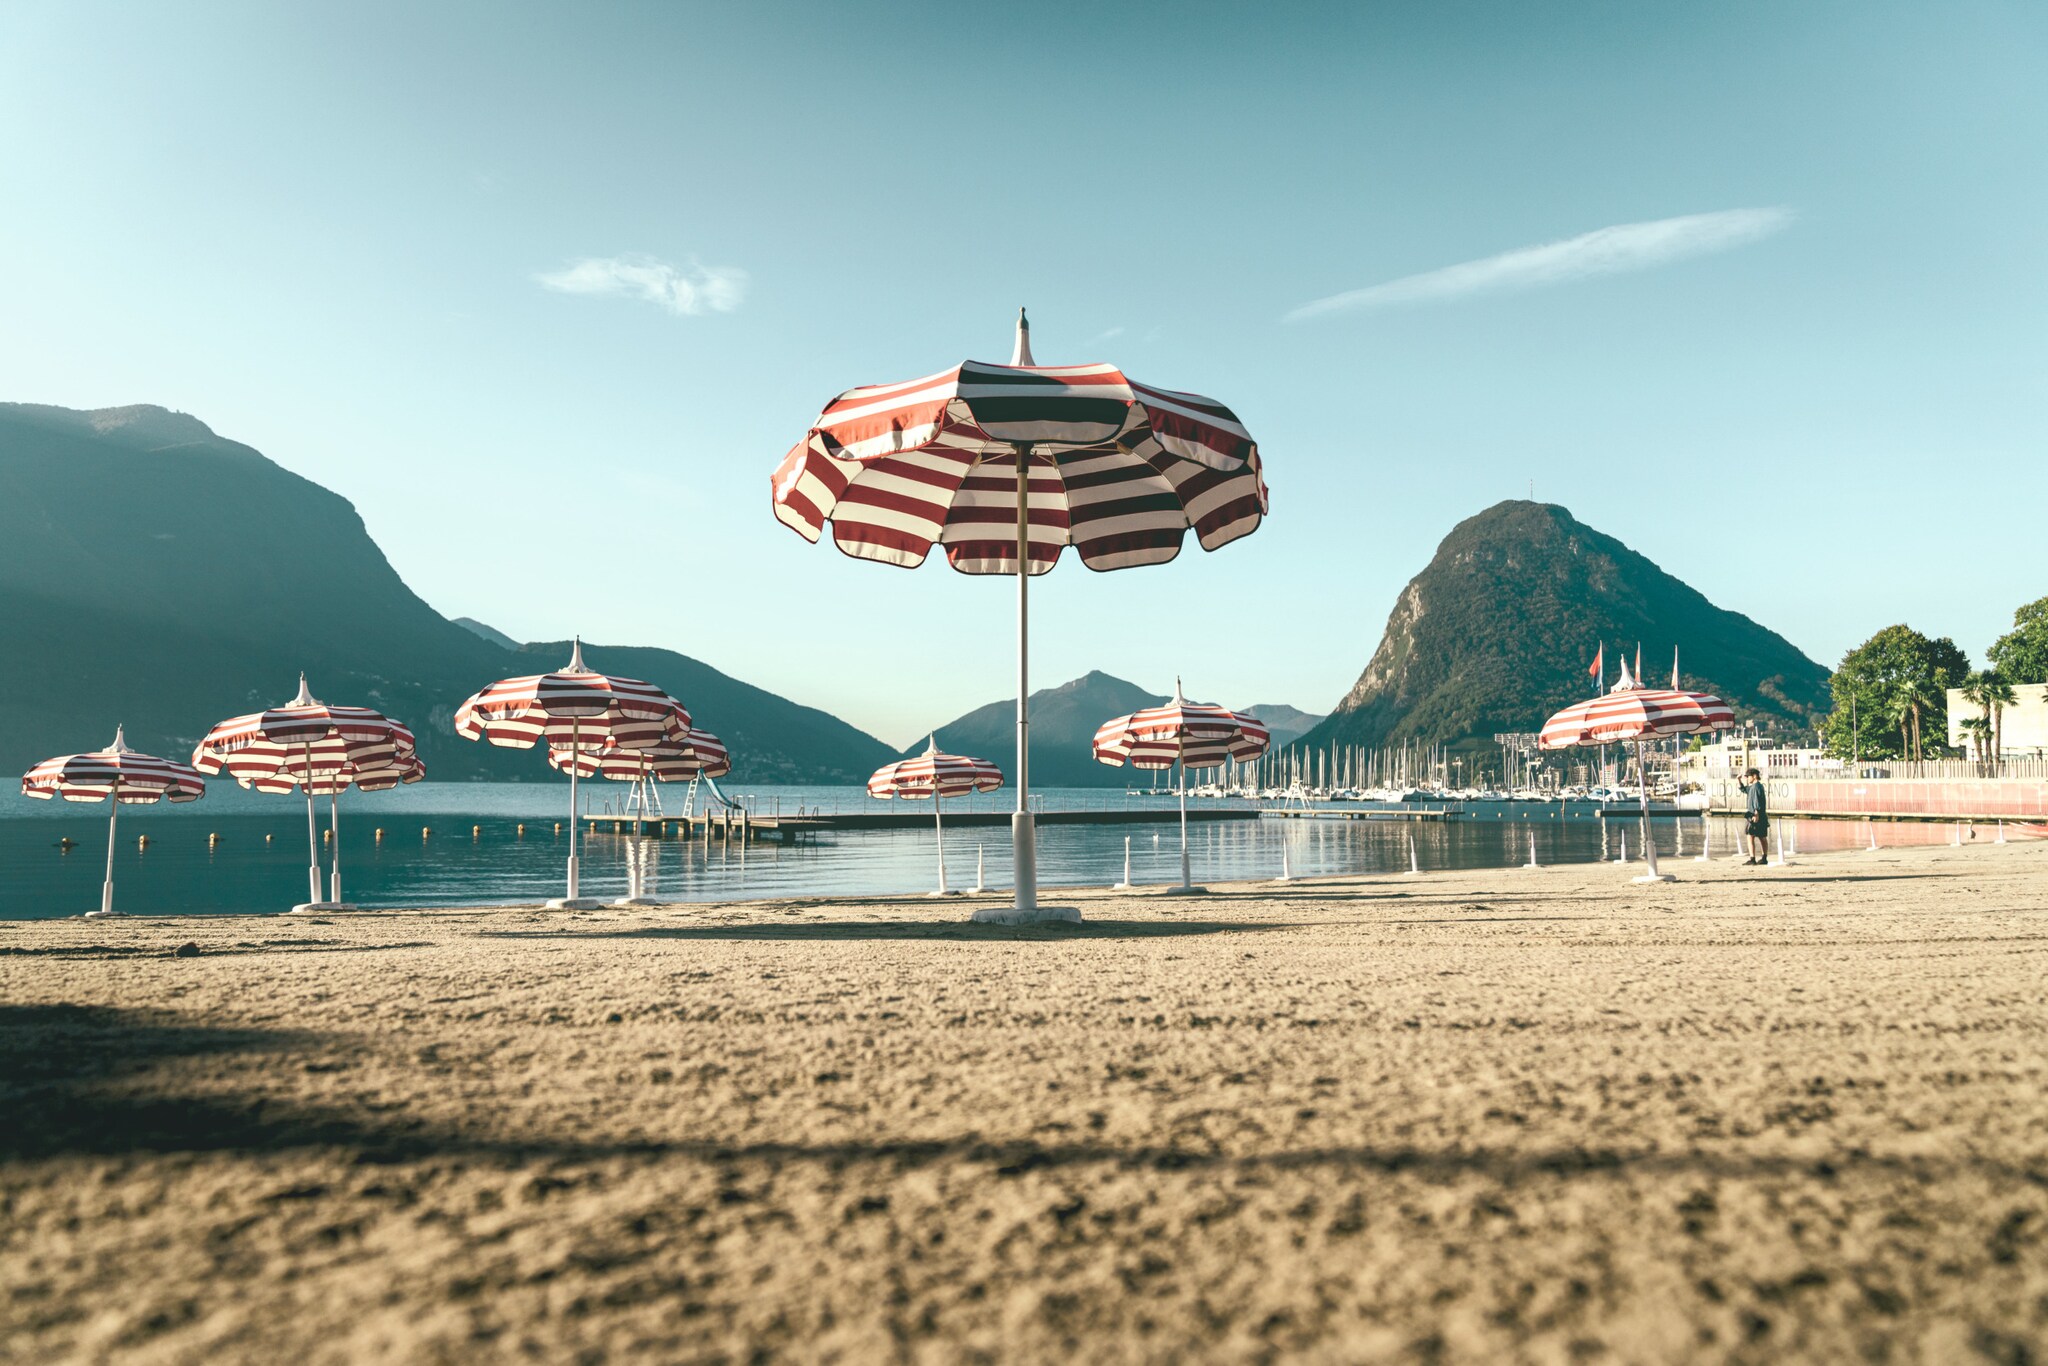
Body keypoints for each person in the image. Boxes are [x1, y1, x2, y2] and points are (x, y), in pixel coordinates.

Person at [1738, 767, 1769, 865]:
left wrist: (1756, 814)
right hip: (1762, 815)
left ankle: (1752, 859)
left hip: (1755, 815)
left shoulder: (1755, 787)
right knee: (1762, 837)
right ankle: (1764, 858)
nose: (1747, 778)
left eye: (1748, 776)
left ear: (1754, 776)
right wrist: (1739, 780)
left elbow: (1756, 802)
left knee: (1750, 836)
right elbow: (1744, 789)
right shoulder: (1756, 786)